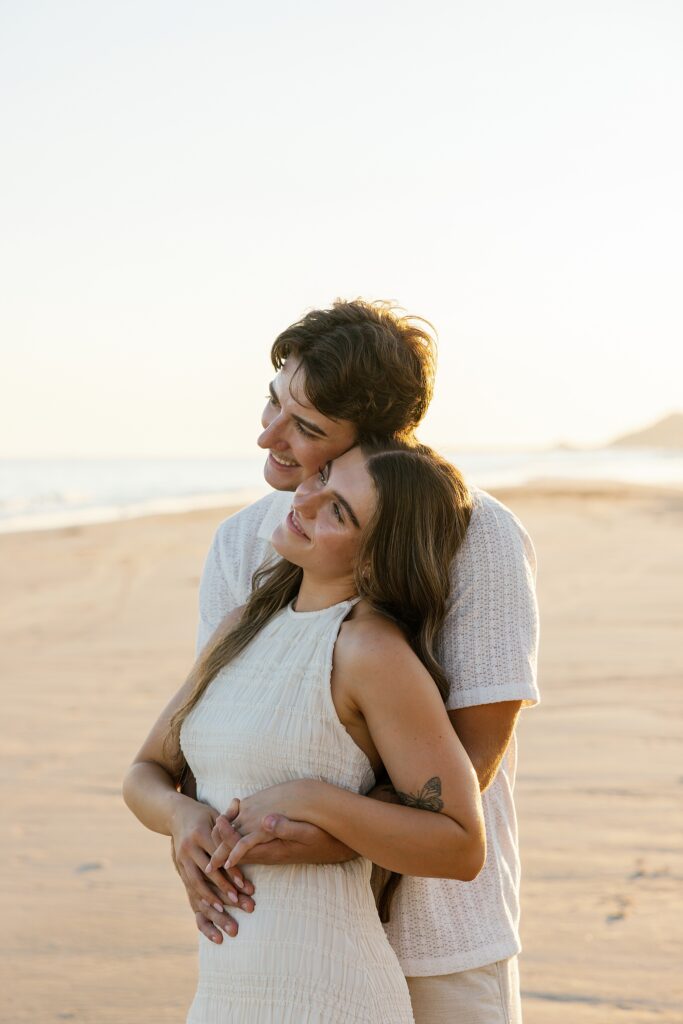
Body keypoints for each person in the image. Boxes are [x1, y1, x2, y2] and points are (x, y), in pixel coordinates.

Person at [174, 299, 539, 1023]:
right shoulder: (243, 542)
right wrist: (185, 823)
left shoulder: (478, 532)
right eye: (274, 404)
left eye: (307, 428)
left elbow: (473, 756)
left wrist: (325, 828)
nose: (267, 437)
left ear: (373, 441)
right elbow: (212, 734)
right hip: (281, 942)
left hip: (437, 938)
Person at [123, 442, 486, 1023]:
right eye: (322, 477)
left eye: (338, 511)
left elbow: (462, 845)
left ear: (374, 561)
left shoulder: (369, 651)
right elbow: (145, 772)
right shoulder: (241, 627)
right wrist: (179, 818)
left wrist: (313, 799)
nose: (306, 500)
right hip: (227, 990)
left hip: (327, 988)